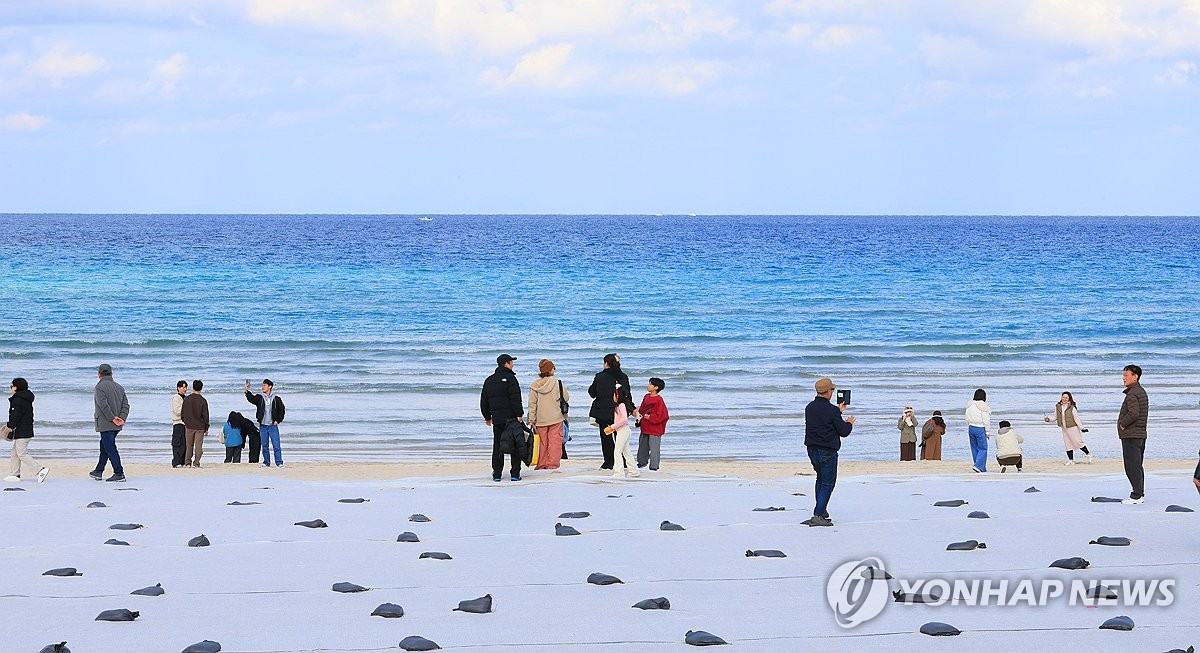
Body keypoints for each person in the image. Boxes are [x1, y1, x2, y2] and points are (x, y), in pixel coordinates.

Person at [803, 377, 855, 527]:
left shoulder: (809, 407)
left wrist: (838, 412)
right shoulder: (831, 411)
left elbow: (822, 419)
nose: (833, 392)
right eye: (832, 390)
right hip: (827, 451)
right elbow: (843, 432)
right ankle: (818, 514)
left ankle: (821, 510)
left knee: (820, 479)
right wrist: (849, 423)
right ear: (827, 392)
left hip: (812, 450)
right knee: (827, 483)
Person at [481, 354, 524, 481]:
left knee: (498, 446)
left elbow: (484, 401)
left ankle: (497, 474)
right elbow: (516, 398)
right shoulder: (511, 379)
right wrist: (519, 414)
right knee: (515, 445)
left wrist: (487, 417)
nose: (512, 364)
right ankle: (515, 474)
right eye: (511, 362)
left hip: (498, 419)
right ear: (506, 364)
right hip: (511, 419)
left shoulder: (489, 380)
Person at [588, 353, 634, 470]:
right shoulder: (623, 376)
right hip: (619, 410)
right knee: (620, 437)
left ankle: (609, 462)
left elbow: (592, 393)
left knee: (606, 436)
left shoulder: (600, 376)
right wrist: (632, 408)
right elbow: (627, 393)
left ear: (606, 363)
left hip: (603, 410)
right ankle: (623, 461)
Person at [91, 363, 130, 482]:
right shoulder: (119, 387)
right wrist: (121, 418)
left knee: (110, 447)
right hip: (117, 424)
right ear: (111, 374)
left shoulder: (99, 387)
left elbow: (103, 405)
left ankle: (119, 472)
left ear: (99, 375)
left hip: (106, 423)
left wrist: (113, 418)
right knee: (105, 446)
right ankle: (98, 471)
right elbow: (126, 405)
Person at [5, 378, 48, 483]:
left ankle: (40, 470)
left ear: (16, 387)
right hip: (25, 429)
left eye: (12, 386)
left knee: (21, 453)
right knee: (15, 453)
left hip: (22, 431)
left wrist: (9, 427)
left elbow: (15, 416)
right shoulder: (25, 398)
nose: (11, 388)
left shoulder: (18, 400)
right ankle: (15, 474)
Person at [527, 359, 567, 471]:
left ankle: (541, 465)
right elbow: (566, 398)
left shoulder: (535, 385)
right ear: (550, 369)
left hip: (540, 419)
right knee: (555, 442)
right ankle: (552, 465)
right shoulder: (558, 383)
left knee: (542, 443)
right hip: (556, 418)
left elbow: (532, 404)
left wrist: (532, 419)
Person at [1117, 364, 1148, 504]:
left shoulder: (1133, 393)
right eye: (1123, 375)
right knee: (1137, 465)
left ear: (1135, 377)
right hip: (1139, 434)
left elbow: (1134, 414)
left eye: (1126, 375)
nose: (1123, 378)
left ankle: (1136, 496)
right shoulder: (1140, 391)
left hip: (1132, 434)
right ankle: (1139, 494)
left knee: (1131, 466)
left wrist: (1123, 423)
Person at [1044, 391, 1093, 465]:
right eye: (1063, 397)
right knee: (1068, 444)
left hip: (1072, 427)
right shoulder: (1058, 407)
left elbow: (1076, 418)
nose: (1064, 399)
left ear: (1069, 398)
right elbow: (1055, 416)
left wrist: (1082, 428)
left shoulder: (1072, 407)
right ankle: (1071, 460)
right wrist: (1049, 419)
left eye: (1066, 397)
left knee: (1078, 442)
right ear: (1061, 397)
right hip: (1064, 428)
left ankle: (1088, 454)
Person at [245, 378, 286, 468]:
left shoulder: (276, 398)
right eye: (262, 385)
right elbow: (252, 399)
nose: (262, 387)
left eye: (264, 385)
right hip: (263, 425)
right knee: (264, 446)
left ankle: (279, 462)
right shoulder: (260, 397)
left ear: (269, 387)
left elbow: (282, 410)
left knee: (276, 445)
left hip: (272, 426)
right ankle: (266, 462)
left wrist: (278, 420)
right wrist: (247, 390)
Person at [603, 387, 639, 478]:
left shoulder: (621, 405)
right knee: (626, 452)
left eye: (614, 395)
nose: (613, 397)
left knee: (617, 452)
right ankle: (634, 471)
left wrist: (612, 427)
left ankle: (619, 473)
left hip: (623, 431)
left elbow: (624, 419)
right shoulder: (618, 406)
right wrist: (613, 428)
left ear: (618, 395)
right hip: (622, 431)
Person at [635, 378, 670, 471]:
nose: (648, 385)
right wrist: (639, 418)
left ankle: (654, 466)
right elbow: (641, 409)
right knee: (642, 445)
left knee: (654, 448)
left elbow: (663, 415)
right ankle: (642, 462)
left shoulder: (659, 400)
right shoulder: (646, 396)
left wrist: (651, 418)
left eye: (650, 384)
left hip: (655, 428)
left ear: (656, 387)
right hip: (645, 426)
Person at [181, 379, 210, 468]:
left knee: (189, 445)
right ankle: (196, 463)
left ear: (193, 388)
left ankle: (187, 463)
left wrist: (186, 421)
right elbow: (206, 416)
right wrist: (206, 428)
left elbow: (183, 413)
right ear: (201, 388)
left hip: (189, 426)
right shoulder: (203, 400)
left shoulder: (187, 399)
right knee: (198, 446)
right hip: (200, 427)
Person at [965, 389, 991, 473]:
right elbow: (986, 420)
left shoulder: (969, 404)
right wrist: (987, 431)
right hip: (980, 427)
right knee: (983, 448)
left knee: (974, 448)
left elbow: (966, 417)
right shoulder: (983, 406)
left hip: (971, 427)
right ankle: (978, 465)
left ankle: (980, 467)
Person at [170, 380, 188, 468]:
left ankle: (183, 461)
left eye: (186, 387)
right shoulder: (176, 398)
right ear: (178, 388)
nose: (185, 389)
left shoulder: (185, 398)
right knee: (177, 443)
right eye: (183, 387)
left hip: (185, 424)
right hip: (178, 423)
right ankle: (176, 462)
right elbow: (177, 411)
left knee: (184, 443)